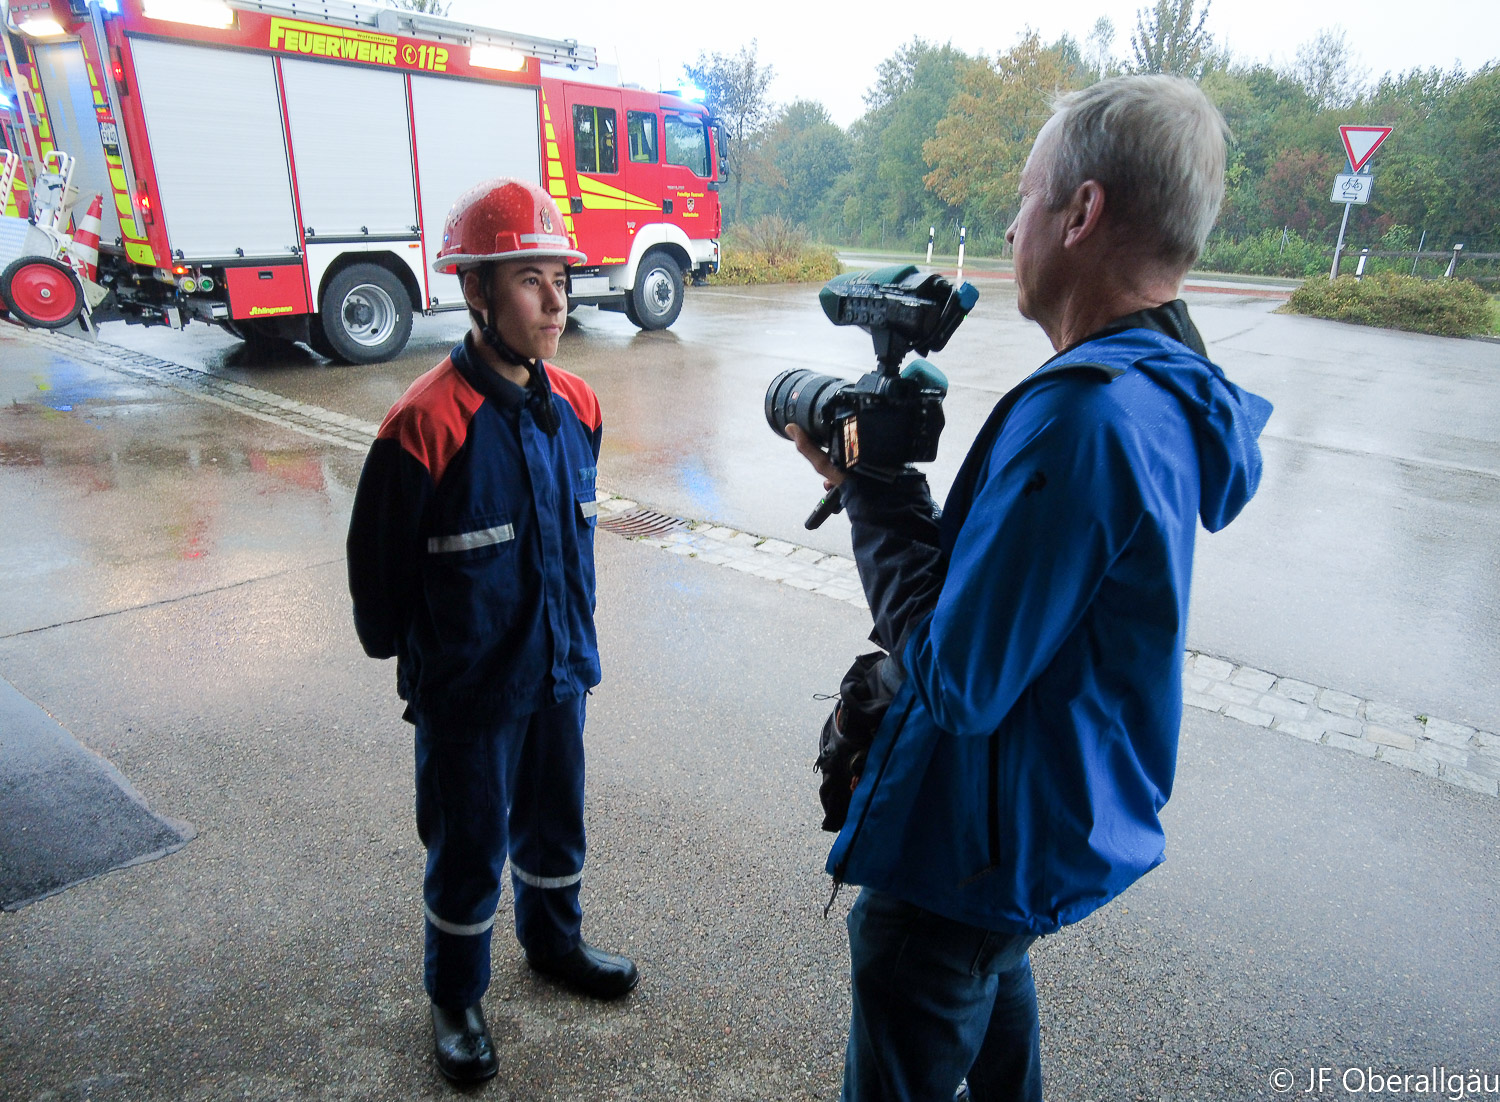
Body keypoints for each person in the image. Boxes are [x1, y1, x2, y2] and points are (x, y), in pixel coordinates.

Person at [787, 76, 1274, 1101]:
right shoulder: (1158, 388)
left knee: (930, 984)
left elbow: (960, 679)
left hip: (970, 847)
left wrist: (875, 495)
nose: (1011, 226)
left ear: (1082, 212)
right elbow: (1015, 611)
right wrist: (884, 488)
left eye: (1024, 196)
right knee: (991, 991)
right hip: (1025, 826)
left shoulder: (1088, 419)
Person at [346, 178, 637, 1086]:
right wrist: (423, 663)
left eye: (560, 276)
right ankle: (456, 995)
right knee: (468, 844)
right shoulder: (425, 424)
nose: (556, 300)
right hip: (469, 694)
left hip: (558, 675)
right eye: (528, 280)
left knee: (556, 826)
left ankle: (555, 946)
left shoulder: (580, 405)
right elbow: (378, 579)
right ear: (476, 293)